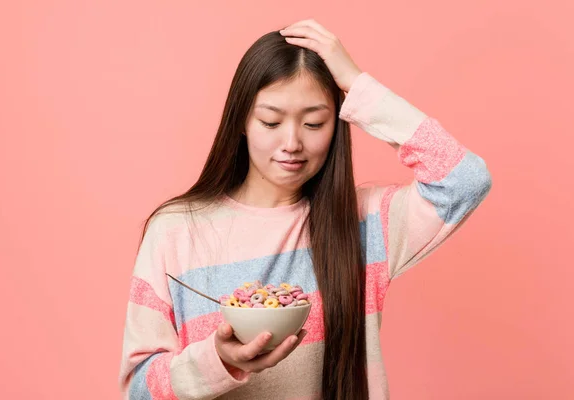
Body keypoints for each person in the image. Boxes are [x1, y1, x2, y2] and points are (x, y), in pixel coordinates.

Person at [118, 19, 492, 400]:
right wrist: (219, 361)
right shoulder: (177, 231)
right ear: (243, 121)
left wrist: (359, 86)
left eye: (314, 123)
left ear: (338, 122)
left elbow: (464, 180)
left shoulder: (366, 225)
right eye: (271, 121)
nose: (292, 142)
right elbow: (139, 390)